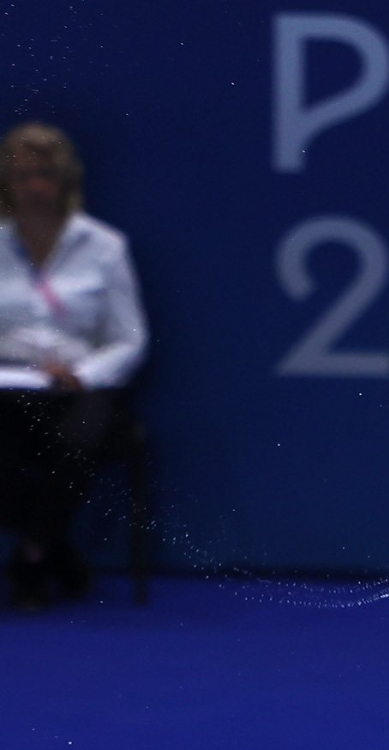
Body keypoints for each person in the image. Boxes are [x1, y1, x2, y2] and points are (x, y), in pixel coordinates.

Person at [0, 122, 149, 611]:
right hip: (7, 386)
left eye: (45, 175)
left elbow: (130, 340)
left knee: (74, 445)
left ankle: (30, 561)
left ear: (65, 182)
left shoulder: (104, 247)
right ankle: (57, 556)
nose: (35, 188)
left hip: (81, 389)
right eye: (23, 177)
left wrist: (84, 376)